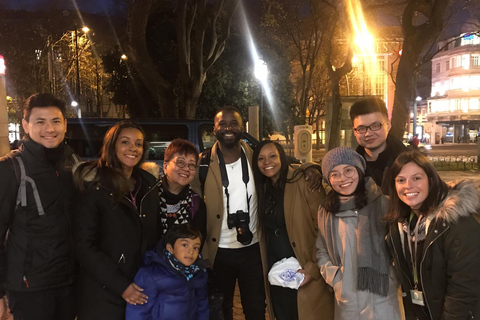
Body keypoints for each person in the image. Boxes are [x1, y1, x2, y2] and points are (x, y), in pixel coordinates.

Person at [190, 106, 323, 320]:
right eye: (222, 124)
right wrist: (202, 252)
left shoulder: (255, 156)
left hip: (252, 250)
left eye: (234, 123)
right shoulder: (202, 163)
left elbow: (286, 164)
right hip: (218, 252)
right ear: (213, 129)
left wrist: (312, 167)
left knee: (255, 308)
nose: (228, 128)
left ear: (242, 128)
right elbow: (193, 207)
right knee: (220, 310)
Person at [0, 93, 78, 320]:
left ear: (65, 123)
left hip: (68, 283)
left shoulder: (72, 163)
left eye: (55, 121)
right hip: (29, 288)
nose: (49, 129)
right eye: (40, 122)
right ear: (25, 125)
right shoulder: (10, 169)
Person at [73, 120, 161, 319]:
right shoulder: (94, 185)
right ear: (112, 145)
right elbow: (83, 245)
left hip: (139, 287)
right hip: (102, 293)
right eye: (125, 142)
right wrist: (121, 285)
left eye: (138, 144)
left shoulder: (149, 185)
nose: (133, 148)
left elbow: (153, 237)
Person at [385, 151, 480, 320]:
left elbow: (464, 287)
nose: (408, 186)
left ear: (431, 179)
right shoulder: (402, 224)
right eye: (401, 180)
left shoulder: (456, 222)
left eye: (416, 178)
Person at [316, 147, 404, 320]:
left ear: (359, 170)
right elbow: (322, 250)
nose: (342, 178)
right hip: (347, 299)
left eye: (348, 170)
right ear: (328, 179)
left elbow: (399, 245)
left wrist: (393, 278)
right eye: (334, 174)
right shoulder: (326, 211)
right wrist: (336, 280)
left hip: (383, 294)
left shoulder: (384, 204)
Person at [252, 140, 334, 320]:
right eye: (261, 159)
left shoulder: (303, 180)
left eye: (272, 156)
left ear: (282, 156)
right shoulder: (263, 188)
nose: (267, 162)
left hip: (306, 267)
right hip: (278, 272)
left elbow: (325, 228)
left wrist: (312, 268)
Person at [125, 223, 209, 320]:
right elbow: (137, 312)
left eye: (196, 247)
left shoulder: (199, 274)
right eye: (185, 245)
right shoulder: (150, 275)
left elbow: (202, 306)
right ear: (170, 248)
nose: (191, 251)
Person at [350, 97, 406, 194]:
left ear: (388, 125)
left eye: (375, 126)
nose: (368, 133)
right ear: (354, 131)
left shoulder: (409, 162)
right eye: (361, 128)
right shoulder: (350, 166)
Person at [159, 139, 206, 242]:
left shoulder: (196, 203)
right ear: (165, 166)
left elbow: (198, 242)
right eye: (180, 162)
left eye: (192, 165)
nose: (186, 168)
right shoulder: (149, 196)